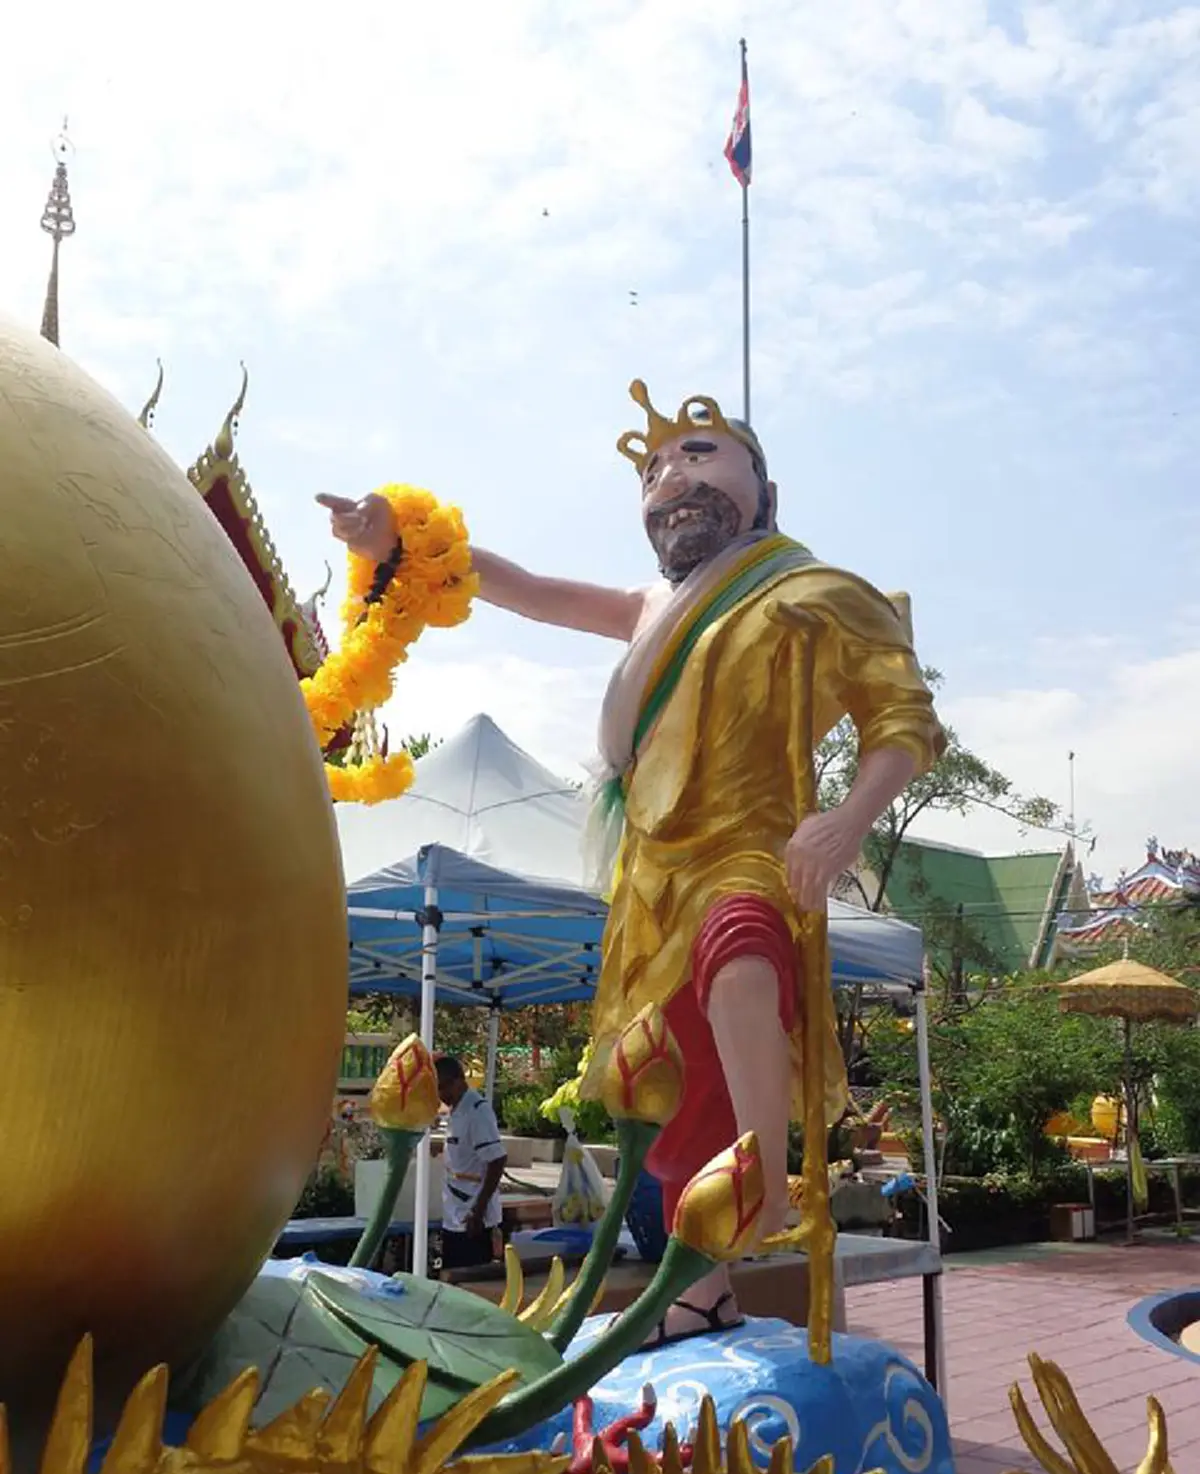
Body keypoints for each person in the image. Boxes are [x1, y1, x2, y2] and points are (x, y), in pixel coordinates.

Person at [318, 380, 944, 1341]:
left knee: (742, 961)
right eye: (653, 470)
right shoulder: (652, 604)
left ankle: (765, 1187)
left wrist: (850, 821)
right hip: (652, 874)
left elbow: (900, 720)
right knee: (666, 1075)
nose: (669, 478)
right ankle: (705, 1287)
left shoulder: (815, 594)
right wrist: (396, 542)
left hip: (755, 848)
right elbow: (523, 588)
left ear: (764, 491)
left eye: (699, 455)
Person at [434, 1054, 507, 1275]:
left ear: (458, 1081)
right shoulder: (456, 1111)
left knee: (470, 1283)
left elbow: (496, 1160)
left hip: (472, 1219)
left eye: (442, 1087)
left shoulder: (477, 1112)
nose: (440, 1095)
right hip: (454, 1215)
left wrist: (479, 1209)